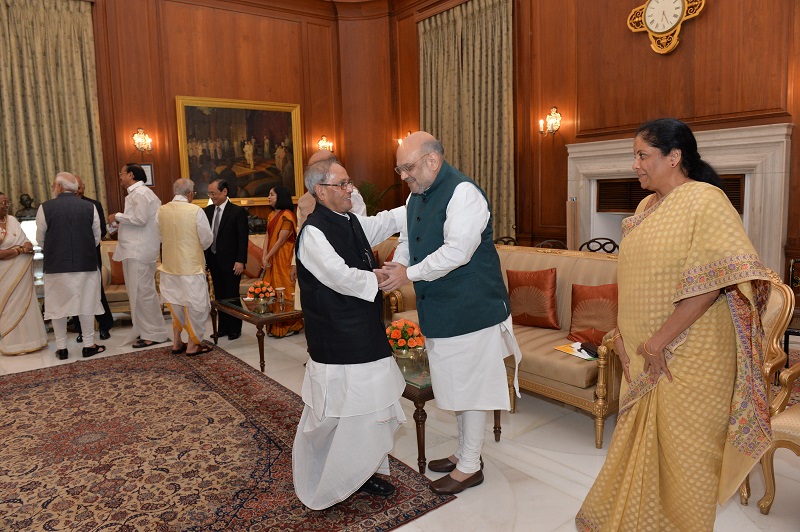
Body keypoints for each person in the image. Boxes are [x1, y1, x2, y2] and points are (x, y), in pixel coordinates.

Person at [575, 119, 774, 531]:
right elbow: (636, 280)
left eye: (642, 155)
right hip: (647, 353)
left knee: (686, 461)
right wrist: (631, 340)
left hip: (691, 356)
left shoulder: (707, 201)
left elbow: (714, 281)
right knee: (643, 451)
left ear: (674, 157)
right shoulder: (647, 207)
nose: (635, 165)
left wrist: (657, 342)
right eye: (635, 156)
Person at [378, 131, 522, 496]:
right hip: (441, 309)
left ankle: (471, 466)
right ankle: (463, 454)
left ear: (432, 160)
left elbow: (458, 251)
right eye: (399, 169)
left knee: (470, 390)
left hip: (472, 309)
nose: (402, 176)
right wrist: (396, 266)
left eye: (407, 167)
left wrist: (407, 275)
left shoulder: (464, 193)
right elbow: (410, 241)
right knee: (456, 387)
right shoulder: (416, 196)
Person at [293, 158, 407, 510]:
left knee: (369, 408)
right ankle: (333, 476)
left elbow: (388, 220)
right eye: (342, 184)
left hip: (364, 332)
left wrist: (425, 199)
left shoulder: (351, 221)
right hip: (337, 337)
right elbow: (340, 277)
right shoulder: (313, 232)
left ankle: (362, 470)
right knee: (341, 412)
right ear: (321, 190)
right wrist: (380, 277)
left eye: (349, 183)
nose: (350, 190)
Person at [36, 172, 105, 360]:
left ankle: (62, 347)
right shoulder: (89, 206)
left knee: (57, 306)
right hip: (86, 264)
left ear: (58, 187)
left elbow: (41, 239)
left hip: (56, 265)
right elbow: (96, 237)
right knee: (87, 304)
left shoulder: (45, 208)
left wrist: (57, 250)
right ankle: (89, 344)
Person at [108, 163, 169, 348]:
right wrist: (120, 224)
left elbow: (141, 219)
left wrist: (117, 216)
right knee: (138, 293)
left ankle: (154, 334)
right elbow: (140, 221)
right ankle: (145, 330)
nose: (120, 176)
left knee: (144, 293)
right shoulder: (136, 194)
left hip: (139, 251)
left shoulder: (141, 193)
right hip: (134, 249)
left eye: (122, 173)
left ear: (131, 175)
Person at [157, 179, 214, 356]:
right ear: (190, 193)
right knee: (196, 305)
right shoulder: (195, 211)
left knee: (176, 303)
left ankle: (176, 342)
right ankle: (192, 345)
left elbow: (159, 235)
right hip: (191, 267)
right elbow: (207, 239)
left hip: (169, 266)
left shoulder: (161, 210)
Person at [0, 191, 47, 355]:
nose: (5, 206)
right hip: (4, 275)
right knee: (8, 307)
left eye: (6, 203)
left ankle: (34, 341)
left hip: (20, 272)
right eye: (1, 203)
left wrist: (24, 247)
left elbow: (25, 240)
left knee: (27, 304)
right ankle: (12, 345)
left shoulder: (12, 220)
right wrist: (20, 250)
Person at [204, 178, 249, 341]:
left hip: (232, 263)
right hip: (214, 261)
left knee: (232, 295)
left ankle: (235, 329)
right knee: (219, 296)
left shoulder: (237, 212)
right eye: (209, 193)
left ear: (224, 192)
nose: (211, 196)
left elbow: (242, 239)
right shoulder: (207, 211)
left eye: (214, 193)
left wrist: (240, 260)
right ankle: (222, 328)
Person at [71, 175, 113, 342]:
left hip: (91, 252)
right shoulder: (64, 206)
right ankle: (81, 329)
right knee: (75, 291)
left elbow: (102, 231)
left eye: (81, 186)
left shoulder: (94, 204)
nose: (79, 190)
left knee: (96, 290)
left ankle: (104, 326)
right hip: (72, 256)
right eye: (76, 187)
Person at [261, 185, 303, 337]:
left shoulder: (288, 215)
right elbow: (267, 236)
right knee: (272, 290)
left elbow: (281, 240)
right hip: (272, 256)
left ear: (280, 197)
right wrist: (264, 255)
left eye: (271, 194)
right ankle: (275, 326)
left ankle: (291, 325)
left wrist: (268, 256)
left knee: (285, 290)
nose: (269, 197)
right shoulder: (271, 215)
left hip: (284, 256)